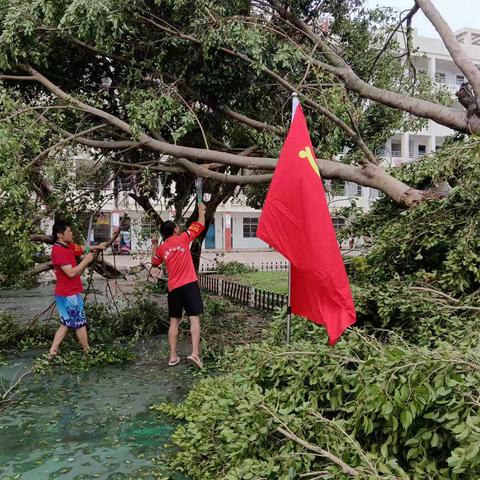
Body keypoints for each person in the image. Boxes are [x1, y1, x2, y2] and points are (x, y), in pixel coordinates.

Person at [151, 203, 206, 368]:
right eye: (177, 226)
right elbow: (200, 225)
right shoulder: (183, 238)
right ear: (175, 230)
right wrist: (201, 210)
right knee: (194, 318)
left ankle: (173, 357)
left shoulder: (162, 249)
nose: (179, 227)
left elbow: (154, 262)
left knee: (174, 321)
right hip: (189, 284)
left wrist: (154, 244)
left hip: (173, 288)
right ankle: (195, 354)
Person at [48, 220, 106, 358]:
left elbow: (80, 248)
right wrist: (86, 261)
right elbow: (71, 273)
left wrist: (96, 247)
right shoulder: (58, 251)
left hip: (64, 293)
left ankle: (51, 354)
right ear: (60, 235)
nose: (71, 233)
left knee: (66, 324)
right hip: (69, 295)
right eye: (69, 232)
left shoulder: (68, 246)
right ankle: (88, 353)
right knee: (80, 323)